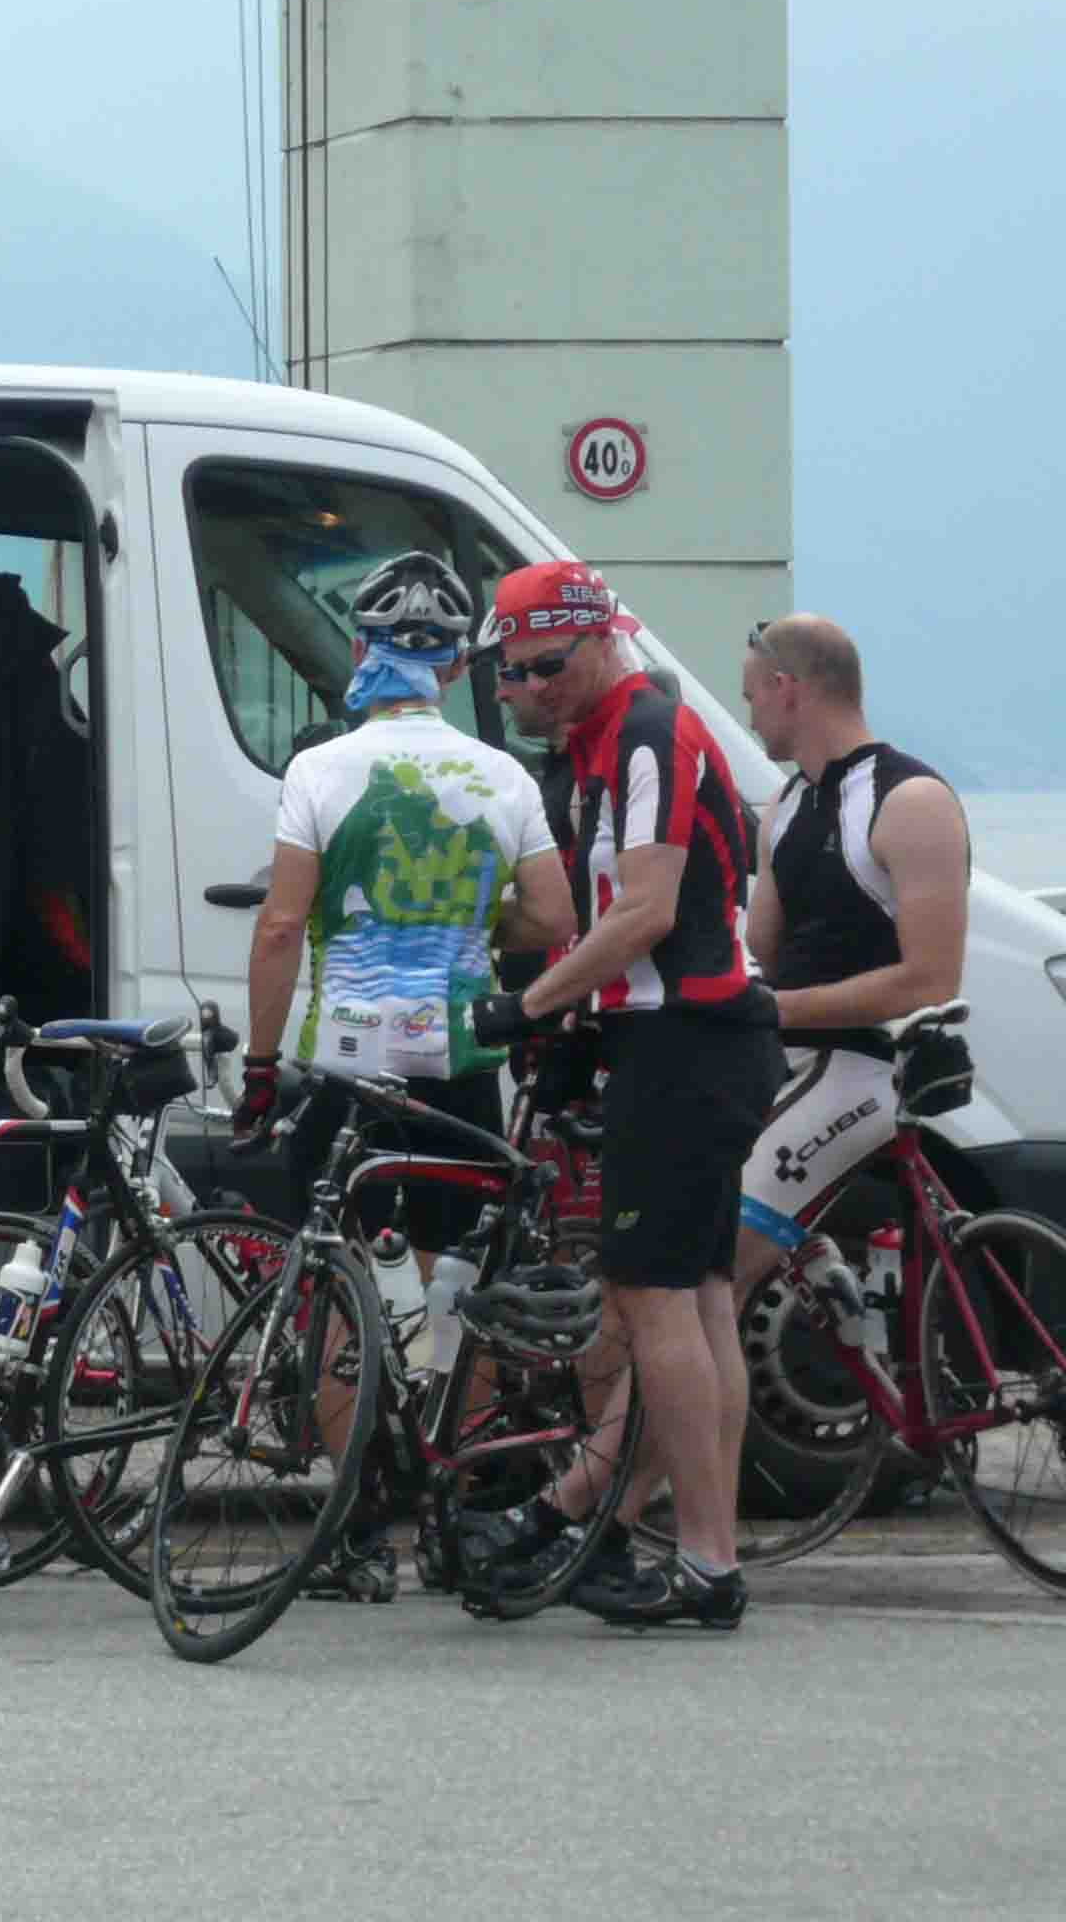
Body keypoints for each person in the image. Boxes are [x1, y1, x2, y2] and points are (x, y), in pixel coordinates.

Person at [230, 550, 577, 1601]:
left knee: (337, 1290)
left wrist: (259, 1064)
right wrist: (467, 928)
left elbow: (282, 925)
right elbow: (554, 920)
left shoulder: (321, 771)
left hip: (349, 1067)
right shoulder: (502, 775)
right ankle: (457, 1518)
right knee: (457, 1290)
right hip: (459, 1066)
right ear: (459, 665)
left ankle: (350, 1534)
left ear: (358, 653)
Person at [470, 561, 784, 1632]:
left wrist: (530, 1006)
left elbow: (646, 911)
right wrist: (574, 1019)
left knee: (657, 1302)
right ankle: (708, 1554)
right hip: (678, 1040)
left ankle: (702, 1558)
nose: (528, 688)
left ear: (603, 641)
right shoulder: (596, 745)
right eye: (513, 672)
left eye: (547, 665)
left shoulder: (651, 732)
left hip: (692, 1042)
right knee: (700, 1299)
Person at [734, 617, 970, 1279]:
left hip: (865, 1067)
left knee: (707, 1265)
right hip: (789, 1058)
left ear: (786, 688)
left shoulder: (910, 799)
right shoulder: (785, 802)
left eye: (751, 696)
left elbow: (932, 980)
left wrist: (777, 1008)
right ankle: (828, 1288)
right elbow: (762, 945)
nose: (748, 716)